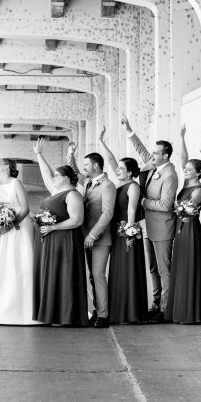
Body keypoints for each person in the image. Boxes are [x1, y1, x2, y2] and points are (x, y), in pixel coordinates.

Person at [121, 115, 178, 323]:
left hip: (162, 227)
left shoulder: (170, 175)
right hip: (147, 226)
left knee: (164, 270)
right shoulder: (154, 166)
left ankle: (166, 308)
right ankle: (156, 303)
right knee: (153, 268)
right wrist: (130, 131)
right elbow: (142, 151)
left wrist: (143, 202)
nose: (152, 154)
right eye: (153, 152)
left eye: (156, 152)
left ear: (166, 156)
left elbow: (165, 205)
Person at [0, 158, 43, 325]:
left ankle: (25, 310)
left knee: (21, 263)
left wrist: (10, 225)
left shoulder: (16, 183)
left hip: (19, 227)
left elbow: (25, 208)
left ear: (7, 167)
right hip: (1, 228)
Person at [33, 138, 89, 327]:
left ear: (65, 178)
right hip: (52, 239)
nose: (53, 178)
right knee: (54, 275)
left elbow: (77, 220)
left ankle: (67, 316)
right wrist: (39, 154)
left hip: (66, 240)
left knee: (65, 275)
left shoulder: (72, 194)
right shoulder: (56, 191)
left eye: (57, 176)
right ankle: (54, 314)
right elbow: (46, 173)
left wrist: (53, 227)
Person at [95, 129, 148, 325]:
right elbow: (110, 160)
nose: (117, 170)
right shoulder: (120, 184)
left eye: (122, 169)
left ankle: (131, 312)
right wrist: (101, 142)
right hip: (118, 232)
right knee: (118, 270)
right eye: (118, 169)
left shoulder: (133, 187)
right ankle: (119, 310)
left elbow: (132, 210)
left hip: (127, 233)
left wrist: (130, 232)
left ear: (131, 172)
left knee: (128, 270)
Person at [67, 143, 116, 328]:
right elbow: (75, 172)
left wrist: (93, 235)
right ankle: (97, 309)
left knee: (98, 274)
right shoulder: (88, 182)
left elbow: (107, 214)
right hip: (86, 237)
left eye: (86, 164)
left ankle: (104, 315)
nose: (84, 168)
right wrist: (70, 155)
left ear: (96, 165)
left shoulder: (108, 186)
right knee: (91, 277)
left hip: (100, 238)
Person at [166, 127, 201, 324]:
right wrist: (182, 137)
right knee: (180, 268)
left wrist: (176, 208)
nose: (184, 170)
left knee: (190, 268)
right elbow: (183, 158)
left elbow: (189, 209)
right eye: (185, 169)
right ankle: (179, 310)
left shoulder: (199, 189)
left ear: (198, 173)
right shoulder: (186, 182)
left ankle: (191, 312)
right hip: (180, 229)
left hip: (191, 229)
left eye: (189, 169)